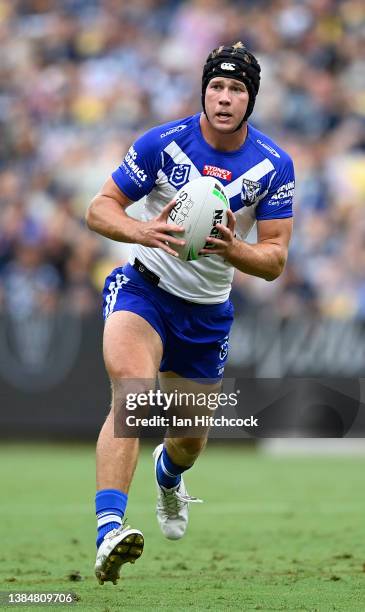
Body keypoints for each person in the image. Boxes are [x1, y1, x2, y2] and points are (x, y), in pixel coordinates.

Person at [86, 42, 294, 585]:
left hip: (206, 313)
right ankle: (110, 528)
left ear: (251, 99)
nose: (225, 98)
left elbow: (273, 260)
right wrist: (142, 230)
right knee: (132, 394)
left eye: (237, 89)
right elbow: (99, 207)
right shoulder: (163, 143)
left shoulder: (274, 164)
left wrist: (234, 250)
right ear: (203, 90)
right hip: (144, 290)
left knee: (187, 440)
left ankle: (169, 478)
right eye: (217, 87)